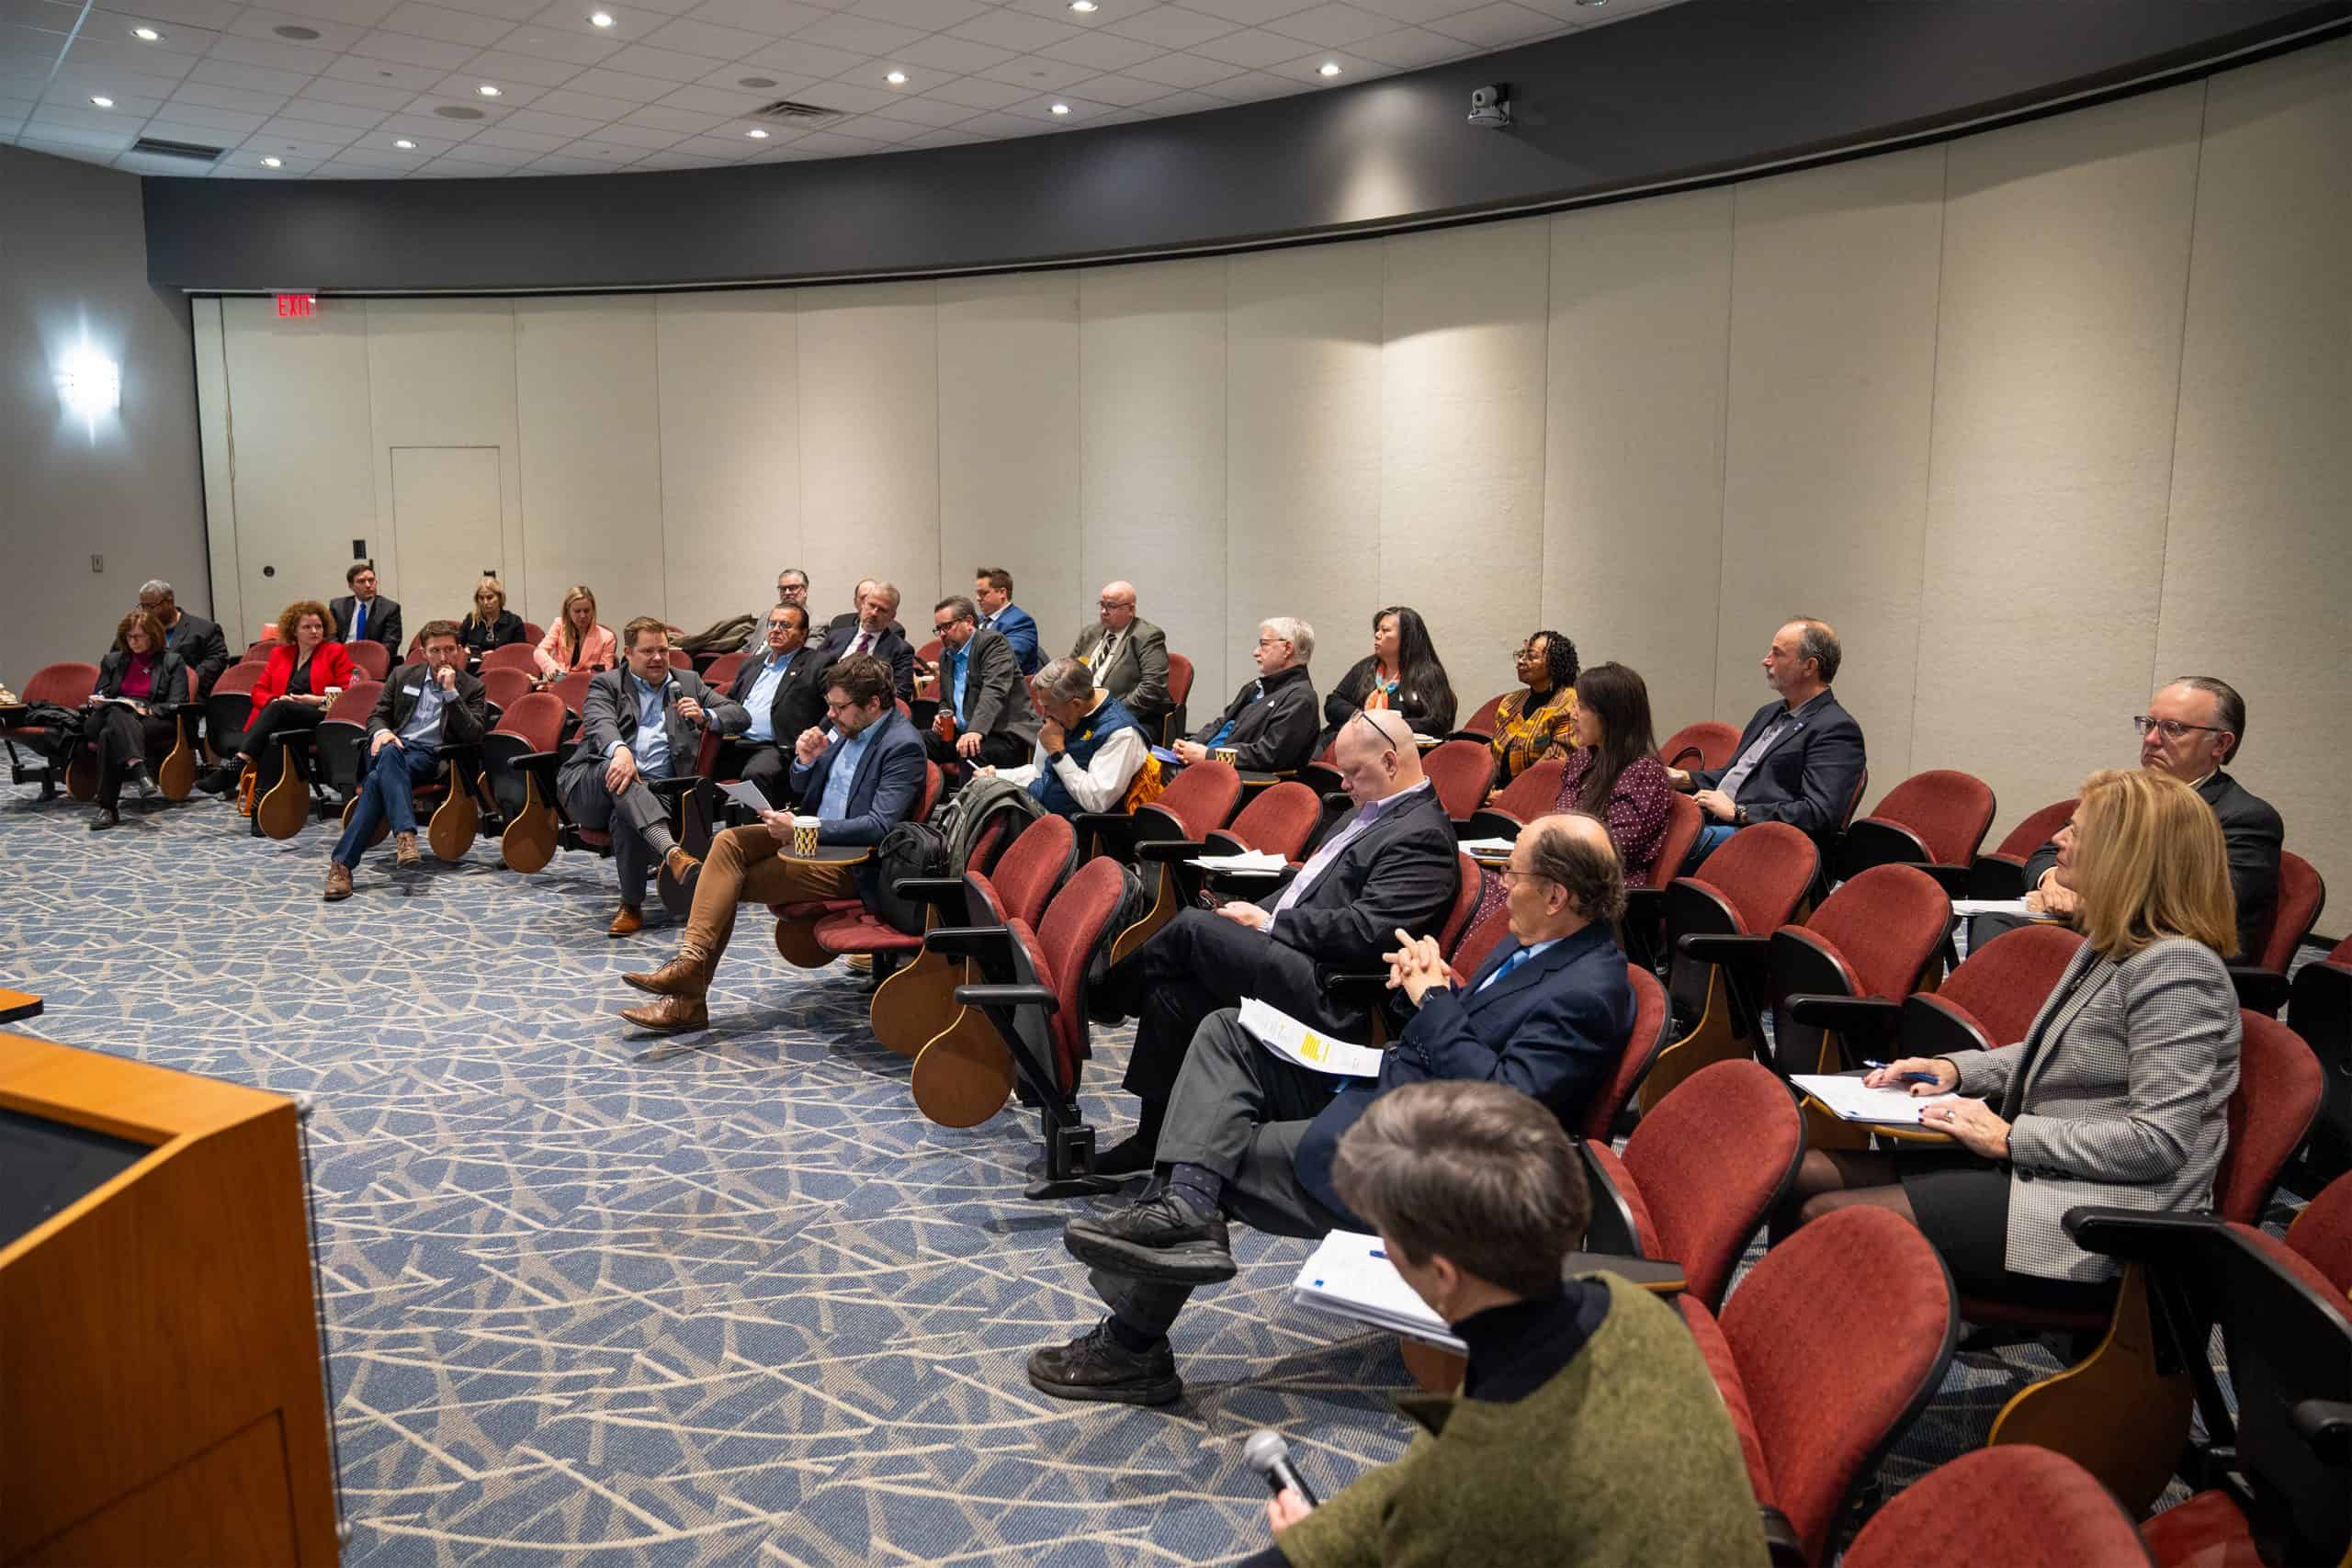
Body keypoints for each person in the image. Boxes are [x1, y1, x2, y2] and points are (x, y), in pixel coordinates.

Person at [1035, 814, 1636, 1406]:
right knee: (1228, 1032)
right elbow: (1463, 1038)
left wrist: (1436, 1003)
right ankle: (1185, 1208)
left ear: (1556, 894)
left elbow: (1508, 1102)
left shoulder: (1588, 990)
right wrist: (1418, 990)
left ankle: (1133, 1343)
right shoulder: (1529, 941)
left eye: (1515, 870)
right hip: (1391, 1081)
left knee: (1209, 1151)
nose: (1501, 880)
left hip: (1429, 1149)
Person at [1234, 1082, 1768, 1566]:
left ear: (1443, 1275)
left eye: (1385, 1234)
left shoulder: (1476, 1486)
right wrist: (1321, 1540)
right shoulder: (1629, 1306)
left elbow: (1451, 1493)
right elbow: (1432, 1479)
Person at [1784, 768, 2243, 1310]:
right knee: (1795, 1174)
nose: (2058, 840)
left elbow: (2157, 1143)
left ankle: (1834, 1370)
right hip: (2046, 1171)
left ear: (2127, 854)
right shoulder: (2115, 944)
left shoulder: (2179, 971)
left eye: (2077, 830)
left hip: (2104, 1209)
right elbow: (2061, 1052)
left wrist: (2009, 1138)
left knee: (1830, 1217)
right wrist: (1956, 1070)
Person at [1092, 709, 1459, 1175]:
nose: (1344, 784)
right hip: (1300, 960)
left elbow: (1369, 932)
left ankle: (1101, 998)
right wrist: (1253, 915)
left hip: (1339, 994)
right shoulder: (1372, 809)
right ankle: (1153, 1141)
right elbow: (1302, 888)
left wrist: (1268, 924)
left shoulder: (1421, 835)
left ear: (1390, 762)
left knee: (1191, 929)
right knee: (1173, 995)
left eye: (1353, 772)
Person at [616, 655, 926, 1033]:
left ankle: (688, 993)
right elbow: (802, 789)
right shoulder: (843, 729)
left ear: (873, 703)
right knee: (728, 842)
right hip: (810, 840)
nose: (830, 714)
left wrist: (798, 830)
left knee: (724, 882)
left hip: (848, 864)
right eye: (829, 705)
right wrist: (806, 762)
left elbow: (879, 827)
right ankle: (690, 969)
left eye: (839, 707)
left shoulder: (902, 746)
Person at [2017, 677, 2282, 959]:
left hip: (2171, 962)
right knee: (1999, 928)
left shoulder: (2246, 818)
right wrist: (2054, 882)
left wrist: (2085, 901)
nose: (2152, 739)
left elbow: (2201, 907)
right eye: (2150, 724)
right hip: (2100, 939)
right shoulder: (2128, 794)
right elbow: (2048, 852)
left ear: (2220, 744)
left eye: (2173, 728)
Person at [555, 617, 748, 938]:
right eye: (648, 651)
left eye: (663, 650)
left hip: (655, 793)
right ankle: (672, 852)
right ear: (628, 653)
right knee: (617, 772)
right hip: (590, 784)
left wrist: (706, 716)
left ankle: (631, 906)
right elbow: (600, 723)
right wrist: (620, 751)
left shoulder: (687, 683)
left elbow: (740, 716)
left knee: (625, 811)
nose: (658, 658)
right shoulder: (607, 684)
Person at [1669, 616, 1865, 867]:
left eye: (1778, 653)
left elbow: (1819, 814)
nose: (1766, 660)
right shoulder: (1769, 713)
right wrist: (1682, 778)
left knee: (1666, 842)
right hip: (1719, 820)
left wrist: (1740, 812)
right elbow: (1736, 777)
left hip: (1763, 840)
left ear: (1809, 666)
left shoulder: (1836, 729)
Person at [323, 620, 490, 898]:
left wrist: (451, 693)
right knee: (388, 751)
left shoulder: (471, 687)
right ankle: (403, 835)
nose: (443, 657)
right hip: (395, 746)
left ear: (460, 650)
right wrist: (383, 732)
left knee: (377, 778)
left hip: (430, 757)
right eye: (435, 650)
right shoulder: (402, 675)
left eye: (449, 649)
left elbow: (474, 735)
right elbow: (377, 715)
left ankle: (342, 865)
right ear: (423, 653)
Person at [195, 600, 354, 797]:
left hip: (320, 715)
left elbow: (346, 695)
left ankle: (237, 765)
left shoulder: (335, 652)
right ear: (294, 631)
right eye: (307, 627)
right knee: (274, 736)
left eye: (318, 626)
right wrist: (273, 701)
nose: (315, 631)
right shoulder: (281, 654)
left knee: (280, 710)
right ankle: (262, 807)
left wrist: (311, 700)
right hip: (282, 717)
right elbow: (258, 691)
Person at [1547, 662, 1676, 886]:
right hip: (1563, 876)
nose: (1572, 714)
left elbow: (1615, 848)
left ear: (1612, 716)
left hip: (1603, 891)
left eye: (1583, 707)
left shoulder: (1643, 772)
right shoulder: (1581, 760)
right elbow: (1559, 821)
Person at [986, 659, 1153, 817]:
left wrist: (1058, 753)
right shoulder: (1064, 718)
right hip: (1036, 808)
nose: (1044, 716)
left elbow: (1096, 802)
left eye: (1048, 708)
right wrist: (997, 775)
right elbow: (1039, 773)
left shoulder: (1122, 733)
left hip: (1071, 830)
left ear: (1076, 704)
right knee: (982, 791)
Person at [82, 608, 188, 830]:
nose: (133, 641)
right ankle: (138, 768)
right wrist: (98, 701)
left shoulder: (171, 661)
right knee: (116, 713)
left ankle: (107, 808)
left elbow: (177, 701)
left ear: (153, 635)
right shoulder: (112, 661)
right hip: (113, 714)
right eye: (129, 637)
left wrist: (146, 710)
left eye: (138, 636)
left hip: (152, 720)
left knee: (108, 735)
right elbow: (101, 693)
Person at [1171, 618, 1318, 773]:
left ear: (1287, 648)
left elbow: (1267, 755)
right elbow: (1222, 722)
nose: (1255, 652)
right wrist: (1190, 745)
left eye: (1264, 644)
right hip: (1207, 766)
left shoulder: (1301, 699)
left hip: (1235, 780)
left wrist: (1208, 755)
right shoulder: (1256, 686)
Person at [716, 604, 828, 806]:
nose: (776, 630)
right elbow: (730, 702)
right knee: (696, 767)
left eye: (785, 625)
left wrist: (814, 740)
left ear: (803, 634)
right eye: (772, 624)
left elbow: (834, 709)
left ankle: (760, 833)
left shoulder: (818, 664)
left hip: (777, 747)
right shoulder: (752, 663)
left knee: (755, 774)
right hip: (736, 742)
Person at [924, 595, 1037, 777]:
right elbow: (946, 700)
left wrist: (975, 730)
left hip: (1003, 735)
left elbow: (994, 692)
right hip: (962, 734)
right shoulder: (946, 655)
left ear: (969, 621)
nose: (942, 634)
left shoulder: (993, 644)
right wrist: (944, 715)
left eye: (947, 626)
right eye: (939, 629)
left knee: (972, 750)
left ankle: (966, 806)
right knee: (914, 743)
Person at [1318, 605, 1456, 749]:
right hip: (1353, 745)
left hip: (1401, 754)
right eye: (1377, 630)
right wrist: (1364, 719)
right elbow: (1333, 703)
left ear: (1406, 638)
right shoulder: (1366, 667)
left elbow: (1437, 723)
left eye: (1385, 630)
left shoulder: (1428, 675)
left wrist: (1388, 724)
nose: (1377, 634)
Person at [1068, 581, 1171, 733]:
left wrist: (1111, 715)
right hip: (1081, 712)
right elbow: (1068, 671)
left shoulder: (1147, 637)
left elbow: (1152, 687)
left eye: (1111, 606)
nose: (1104, 611)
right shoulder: (1090, 633)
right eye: (1102, 605)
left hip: (1125, 717)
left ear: (1131, 609)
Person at [1487, 631, 1579, 787]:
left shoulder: (1569, 704)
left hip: (1538, 794)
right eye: (1521, 655)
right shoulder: (1511, 701)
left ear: (1554, 663)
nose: (1521, 661)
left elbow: (1554, 766)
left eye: (1531, 656)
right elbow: (1494, 752)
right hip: (1496, 792)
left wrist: (1508, 795)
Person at [816, 581, 916, 702]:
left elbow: (901, 694)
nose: (874, 613)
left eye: (882, 610)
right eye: (871, 605)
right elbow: (815, 670)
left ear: (892, 616)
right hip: (824, 702)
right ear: (863, 604)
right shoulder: (835, 636)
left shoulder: (901, 650)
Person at [135, 579, 228, 698]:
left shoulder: (205, 629)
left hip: (187, 699)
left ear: (169, 601)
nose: (146, 612)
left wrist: (185, 682)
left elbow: (217, 660)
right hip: (145, 696)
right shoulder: (137, 631)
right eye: (143, 606)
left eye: (151, 606)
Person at [534, 585, 617, 681]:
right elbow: (539, 652)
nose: (582, 615)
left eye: (587, 611)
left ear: (593, 610)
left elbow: (603, 672)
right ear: (568, 610)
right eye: (577, 611)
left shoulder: (607, 637)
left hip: (588, 685)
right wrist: (551, 667)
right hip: (558, 682)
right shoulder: (559, 625)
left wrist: (572, 680)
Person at [972, 566, 1042, 675]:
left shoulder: (1021, 622)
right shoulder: (977, 621)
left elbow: (1003, 661)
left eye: (983, 593)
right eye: (977, 593)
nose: (978, 598)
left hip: (1008, 689)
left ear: (1002, 593)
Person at [330, 561, 402, 657]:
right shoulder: (337, 606)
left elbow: (391, 644)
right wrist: (341, 656)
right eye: (361, 581)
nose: (368, 585)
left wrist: (367, 659)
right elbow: (330, 636)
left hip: (374, 660)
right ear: (351, 586)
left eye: (371, 580)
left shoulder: (390, 608)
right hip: (343, 657)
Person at [458, 576, 527, 663]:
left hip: (503, 667)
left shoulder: (513, 622)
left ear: (500, 598)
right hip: (474, 669)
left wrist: (497, 655)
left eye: (490, 597)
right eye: (481, 598)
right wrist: (464, 652)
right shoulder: (471, 620)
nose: (485, 602)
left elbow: (521, 654)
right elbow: (457, 646)